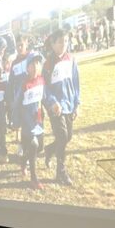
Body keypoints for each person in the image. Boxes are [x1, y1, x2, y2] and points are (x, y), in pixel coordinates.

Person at [43, 30, 80, 185]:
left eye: (65, 41)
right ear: (52, 44)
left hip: (69, 105)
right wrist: (52, 103)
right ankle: (61, 173)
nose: (63, 44)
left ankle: (50, 150)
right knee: (63, 136)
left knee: (67, 137)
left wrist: (77, 103)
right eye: (60, 42)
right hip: (55, 107)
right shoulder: (48, 63)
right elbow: (44, 87)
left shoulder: (71, 59)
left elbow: (76, 82)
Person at [15, 51, 46, 190]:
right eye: (32, 64)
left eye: (38, 63)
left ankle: (23, 160)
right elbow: (16, 104)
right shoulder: (23, 84)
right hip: (27, 123)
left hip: (38, 121)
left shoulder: (41, 80)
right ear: (27, 67)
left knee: (40, 147)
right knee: (33, 145)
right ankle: (34, 179)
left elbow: (45, 97)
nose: (35, 66)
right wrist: (15, 122)